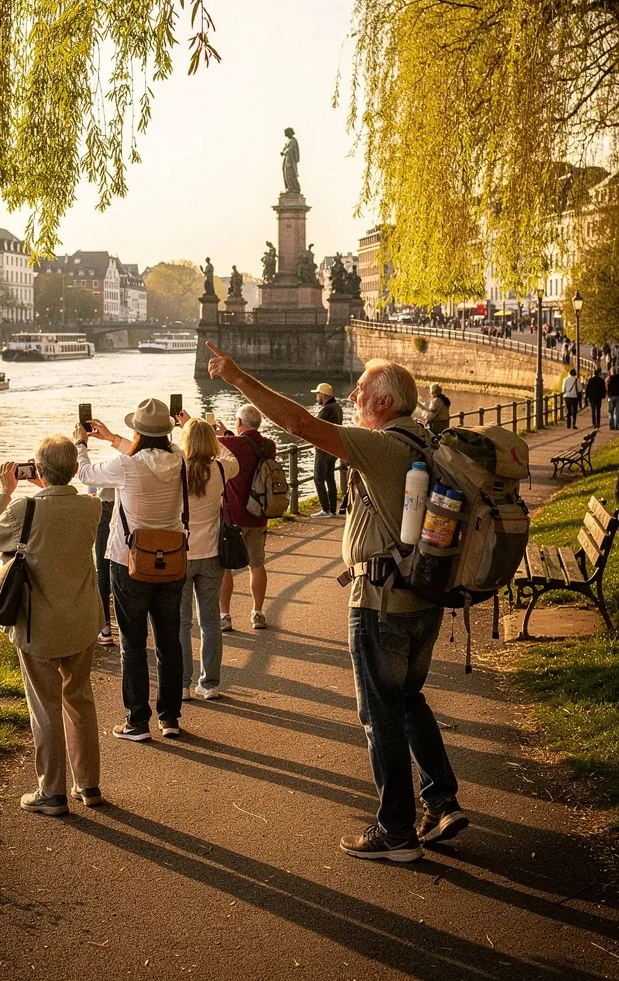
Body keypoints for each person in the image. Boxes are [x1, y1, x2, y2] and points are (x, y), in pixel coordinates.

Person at [205, 341, 465, 863]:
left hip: (380, 602)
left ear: (385, 401)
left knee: (380, 715)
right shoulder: (425, 441)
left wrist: (238, 378)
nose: (353, 395)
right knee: (408, 700)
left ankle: (395, 832)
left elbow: (300, 425)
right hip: (422, 598)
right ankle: (440, 801)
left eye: (362, 390)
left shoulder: (384, 445)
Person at [0, 436, 103, 816]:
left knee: (45, 708)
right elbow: (61, 510)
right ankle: (89, 786)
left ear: (39, 470)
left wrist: (5, 492)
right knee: (80, 701)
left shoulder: (23, 508)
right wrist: (50, 487)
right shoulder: (92, 507)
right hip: (83, 620)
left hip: (40, 626)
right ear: (73, 470)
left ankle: (52, 793)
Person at [76, 399, 186, 742]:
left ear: (137, 431)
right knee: (170, 641)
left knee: (133, 643)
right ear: (168, 431)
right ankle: (170, 718)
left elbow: (84, 474)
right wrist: (110, 437)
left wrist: (81, 443)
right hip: (172, 561)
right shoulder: (179, 460)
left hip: (129, 562)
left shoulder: (125, 466)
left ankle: (137, 722)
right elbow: (146, 456)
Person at [175, 415, 239, 700]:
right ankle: (210, 683)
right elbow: (231, 456)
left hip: (182, 554)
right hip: (213, 554)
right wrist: (216, 435)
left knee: (181, 623)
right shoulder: (222, 469)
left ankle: (183, 684)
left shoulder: (176, 470)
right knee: (210, 620)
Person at [216, 404, 277, 632]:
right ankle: (258, 613)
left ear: (239, 422)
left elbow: (209, 442)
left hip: (233, 517)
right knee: (257, 564)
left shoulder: (230, 444)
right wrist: (228, 435)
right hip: (259, 515)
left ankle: (225, 616)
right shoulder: (270, 445)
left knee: (226, 567)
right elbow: (247, 450)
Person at [311, 383, 343, 516]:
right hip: (333, 448)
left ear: (323, 395)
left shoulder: (326, 409)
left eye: (318, 394)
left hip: (324, 448)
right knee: (330, 478)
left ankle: (325, 509)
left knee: (318, 478)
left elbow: (315, 425)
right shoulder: (337, 408)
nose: (316, 396)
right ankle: (333, 510)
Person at [92, 486, 116, 645]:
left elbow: (85, 473)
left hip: (107, 506)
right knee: (127, 566)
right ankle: (130, 627)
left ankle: (105, 628)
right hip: (131, 505)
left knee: (103, 571)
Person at [608, 367, 619, 432]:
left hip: (612, 396)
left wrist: (608, 395)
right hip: (618, 396)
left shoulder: (610, 378)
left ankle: (611, 426)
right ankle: (616, 426)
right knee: (617, 412)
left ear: (612, 372)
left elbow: (608, 387)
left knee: (610, 412)